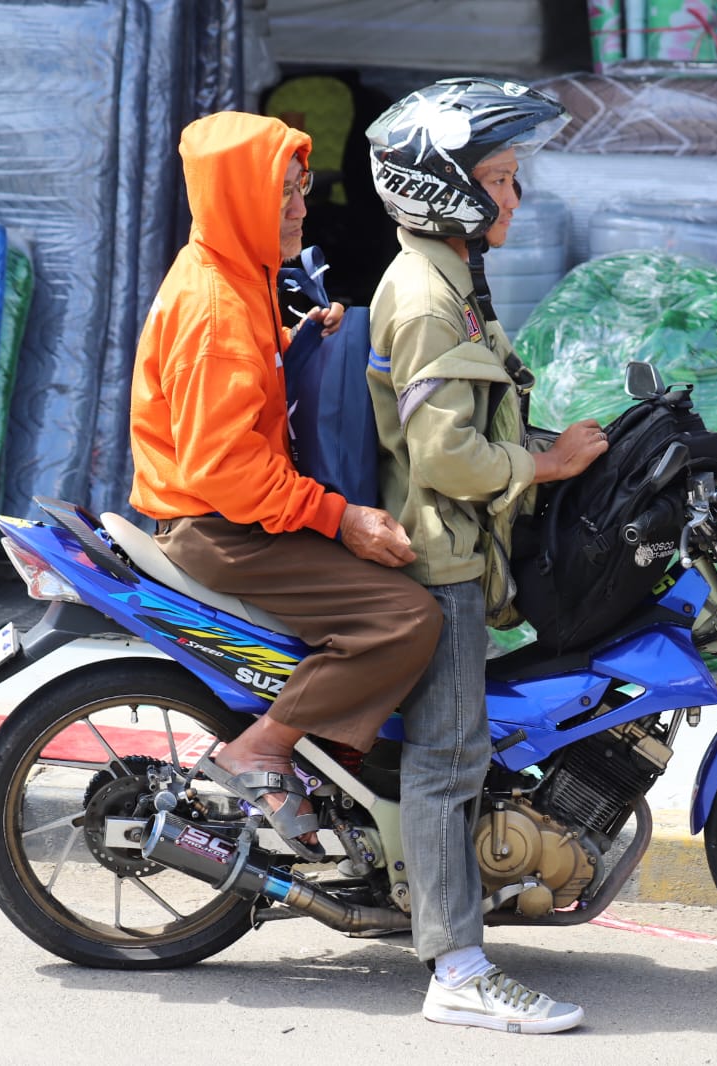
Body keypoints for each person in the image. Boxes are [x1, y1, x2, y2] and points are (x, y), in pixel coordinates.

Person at [129, 111, 442, 863]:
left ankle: (333, 763)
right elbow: (226, 468)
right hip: (220, 527)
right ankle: (264, 748)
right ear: (239, 199)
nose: (304, 207)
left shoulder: (235, 273)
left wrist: (294, 345)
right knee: (408, 617)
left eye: (303, 188)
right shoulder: (216, 309)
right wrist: (340, 518)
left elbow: (241, 398)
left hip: (229, 512)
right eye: (284, 194)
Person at [363, 78, 607, 1034]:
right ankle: (458, 972)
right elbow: (445, 457)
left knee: (461, 754)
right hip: (443, 563)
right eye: (499, 179)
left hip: (463, 546)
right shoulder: (431, 299)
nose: (516, 196)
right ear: (447, 190)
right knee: (449, 760)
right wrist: (544, 465)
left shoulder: (452, 278)